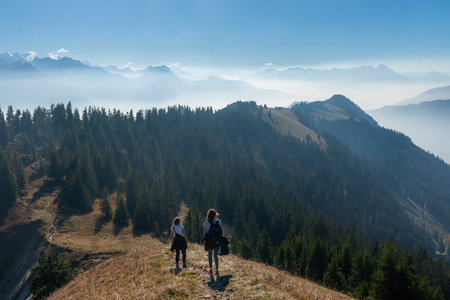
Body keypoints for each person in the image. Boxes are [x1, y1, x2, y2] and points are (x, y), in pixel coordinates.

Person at [202, 209, 222, 276]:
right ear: (215, 215)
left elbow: (205, 233)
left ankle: (210, 270)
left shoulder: (206, 223)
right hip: (217, 241)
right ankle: (217, 271)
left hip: (209, 241)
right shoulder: (219, 222)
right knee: (215, 256)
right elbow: (221, 232)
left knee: (210, 255)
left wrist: (204, 241)